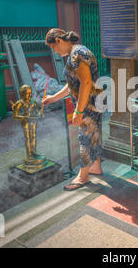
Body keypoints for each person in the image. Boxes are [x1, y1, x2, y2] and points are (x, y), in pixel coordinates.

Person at [43, 28, 104, 191]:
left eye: (54, 48)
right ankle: (96, 167)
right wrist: (53, 98)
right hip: (94, 101)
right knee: (94, 134)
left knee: (84, 138)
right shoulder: (78, 51)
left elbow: (85, 82)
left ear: (58, 41)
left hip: (88, 103)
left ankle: (83, 177)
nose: (55, 52)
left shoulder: (76, 54)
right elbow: (72, 84)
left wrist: (78, 111)